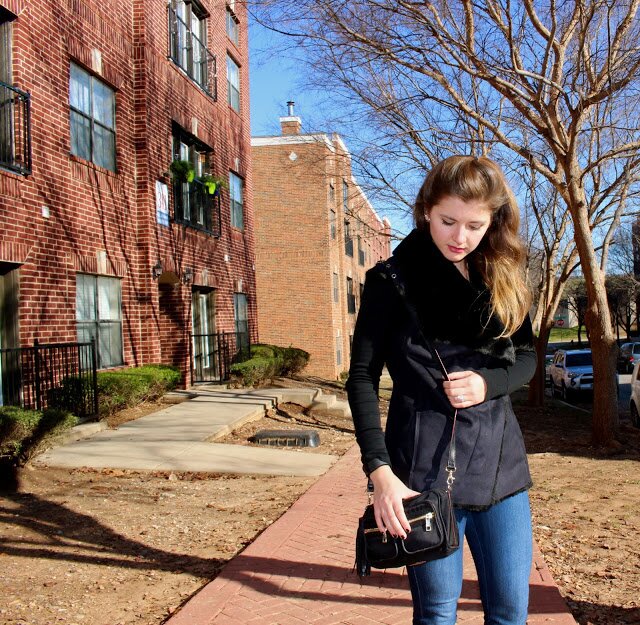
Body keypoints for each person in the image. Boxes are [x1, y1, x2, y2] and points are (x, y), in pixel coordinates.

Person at [346, 155, 536, 625]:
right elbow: (362, 378)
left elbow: (529, 358)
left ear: (493, 222)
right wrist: (381, 473)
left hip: (501, 468)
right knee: (436, 611)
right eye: (448, 221)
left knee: (511, 611)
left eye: (474, 225)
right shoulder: (389, 282)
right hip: (422, 472)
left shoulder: (501, 276)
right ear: (426, 209)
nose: (459, 237)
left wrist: (489, 383)